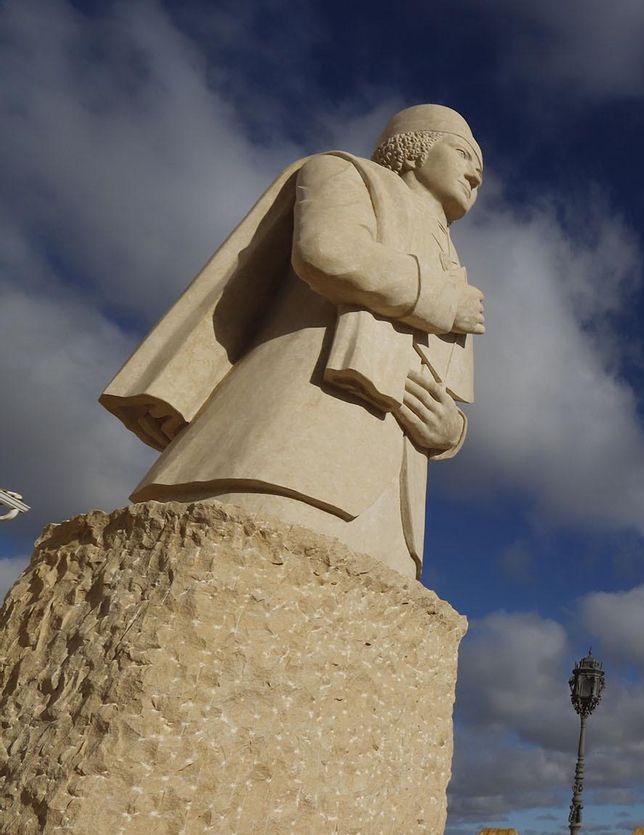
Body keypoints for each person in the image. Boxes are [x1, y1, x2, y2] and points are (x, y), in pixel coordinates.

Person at [100, 104, 487, 577]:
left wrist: (450, 434)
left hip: (395, 512)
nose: (475, 176)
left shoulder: (455, 264)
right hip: (289, 450)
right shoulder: (345, 173)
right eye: (464, 154)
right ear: (413, 149)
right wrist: (443, 300)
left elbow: (439, 380)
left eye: (480, 169)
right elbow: (328, 253)